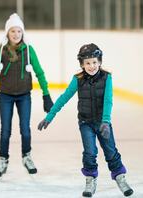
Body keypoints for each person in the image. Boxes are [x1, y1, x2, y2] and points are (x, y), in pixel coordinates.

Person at [38, 43, 134, 197]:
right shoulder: (78, 79)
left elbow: (108, 100)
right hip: (86, 123)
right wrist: (50, 116)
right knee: (89, 152)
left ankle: (120, 177)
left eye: (95, 62)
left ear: (100, 62)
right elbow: (64, 98)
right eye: (88, 63)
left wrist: (105, 121)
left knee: (110, 151)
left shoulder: (106, 77)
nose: (92, 66)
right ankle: (90, 179)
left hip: (103, 123)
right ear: (82, 64)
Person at [0, 13, 53, 178]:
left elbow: (39, 73)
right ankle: (3, 159)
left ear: (22, 33)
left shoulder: (29, 50)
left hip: (24, 96)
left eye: (19, 31)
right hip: (6, 96)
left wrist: (46, 95)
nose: (16, 34)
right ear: (7, 33)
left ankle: (27, 156)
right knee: (5, 130)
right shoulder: (1, 51)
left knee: (25, 130)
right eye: (13, 31)